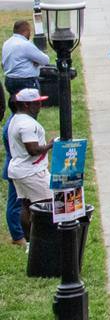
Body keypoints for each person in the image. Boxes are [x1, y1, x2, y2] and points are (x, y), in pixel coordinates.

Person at [5, 88, 54, 245]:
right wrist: (50, 145)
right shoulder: (27, 124)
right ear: (26, 104)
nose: (40, 105)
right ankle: (44, 242)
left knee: (26, 205)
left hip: (18, 170)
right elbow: (32, 150)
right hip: (32, 172)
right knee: (50, 203)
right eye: (37, 102)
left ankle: (30, 243)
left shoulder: (15, 119)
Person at [2, 18, 50, 104]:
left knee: (16, 107)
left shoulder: (7, 43)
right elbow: (45, 60)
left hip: (10, 80)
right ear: (26, 31)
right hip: (26, 81)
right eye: (29, 31)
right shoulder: (25, 44)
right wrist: (35, 62)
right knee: (29, 108)